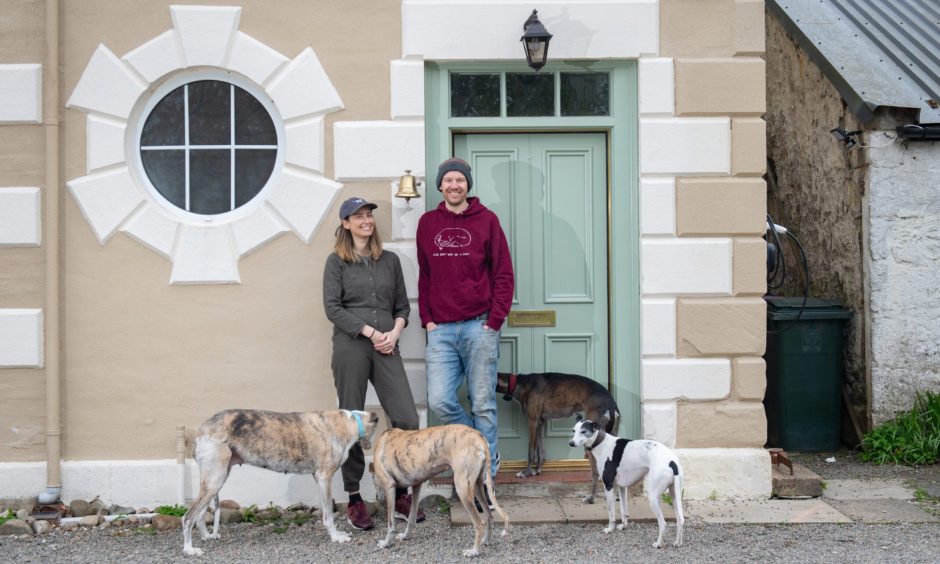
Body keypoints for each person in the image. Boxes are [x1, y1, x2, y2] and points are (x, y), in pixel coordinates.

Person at [323, 196, 423, 531]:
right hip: (352, 346)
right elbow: (333, 308)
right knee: (352, 421)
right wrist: (369, 331)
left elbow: (402, 306)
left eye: (369, 215)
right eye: (358, 216)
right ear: (346, 224)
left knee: (407, 417)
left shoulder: (390, 260)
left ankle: (401, 491)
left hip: (386, 346)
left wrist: (394, 333)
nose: (366, 220)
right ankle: (354, 497)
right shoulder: (336, 262)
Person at [417, 157, 515, 482]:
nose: (454, 185)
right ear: (440, 186)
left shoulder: (487, 221)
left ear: (467, 185)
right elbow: (425, 276)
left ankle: (486, 473)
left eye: (460, 180)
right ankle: (478, 447)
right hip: (441, 329)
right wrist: (428, 321)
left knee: (483, 403)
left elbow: (503, 274)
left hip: (479, 325)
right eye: (448, 181)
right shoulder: (428, 223)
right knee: (440, 401)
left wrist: (494, 322)